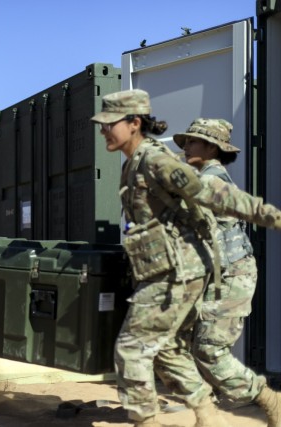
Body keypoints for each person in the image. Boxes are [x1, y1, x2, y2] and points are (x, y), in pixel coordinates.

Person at [90, 89, 281, 427]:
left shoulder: (162, 163)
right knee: (167, 348)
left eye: (110, 124)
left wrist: (272, 216)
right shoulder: (136, 164)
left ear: (134, 123)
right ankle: (208, 414)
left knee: (148, 349)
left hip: (194, 273)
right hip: (176, 271)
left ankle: (159, 419)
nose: (104, 130)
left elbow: (218, 196)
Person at [174, 118, 281, 426]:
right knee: (182, 345)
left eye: (193, 142)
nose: (186, 147)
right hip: (210, 275)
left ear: (211, 148)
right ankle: (206, 416)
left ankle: (267, 398)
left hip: (230, 276)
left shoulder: (210, 182)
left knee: (209, 349)